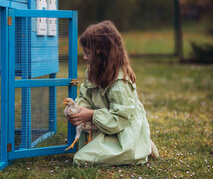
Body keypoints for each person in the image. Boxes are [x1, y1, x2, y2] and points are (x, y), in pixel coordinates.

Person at [68, 20, 158, 166]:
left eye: (87, 53)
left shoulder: (119, 84)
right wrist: (79, 110)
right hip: (104, 126)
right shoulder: (92, 71)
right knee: (83, 155)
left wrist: (91, 114)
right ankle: (142, 142)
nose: (84, 57)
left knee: (81, 159)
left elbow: (120, 120)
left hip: (122, 131)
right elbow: (84, 95)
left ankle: (139, 145)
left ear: (100, 54)